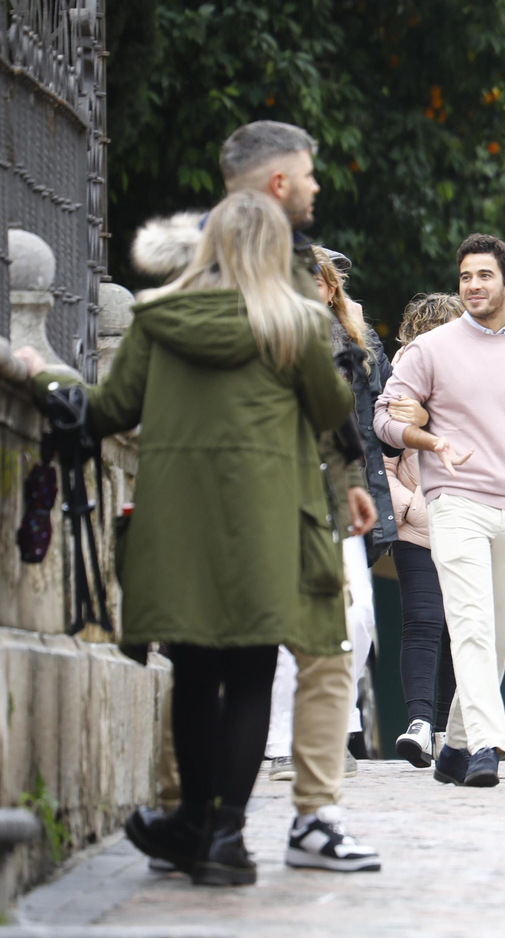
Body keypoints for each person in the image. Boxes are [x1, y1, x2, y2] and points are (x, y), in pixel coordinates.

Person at [17, 191, 355, 885]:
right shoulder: (294, 325)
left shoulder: (156, 318)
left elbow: (108, 410)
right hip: (266, 524)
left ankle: (195, 820)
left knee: (195, 673)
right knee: (252, 673)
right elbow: (330, 408)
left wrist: (43, 372)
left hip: (176, 526)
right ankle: (225, 838)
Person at [129, 121, 380, 873]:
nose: (315, 187)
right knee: (227, 662)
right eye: (307, 175)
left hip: (311, 491)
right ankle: (200, 821)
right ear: (278, 184)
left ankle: (308, 817)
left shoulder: (306, 264)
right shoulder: (215, 260)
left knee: (322, 650)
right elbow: (322, 395)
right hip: (272, 493)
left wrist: (355, 484)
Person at [373, 233, 505, 789]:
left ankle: (457, 745)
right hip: (454, 503)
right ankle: (487, 747)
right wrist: (426, 440)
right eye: (466, 275)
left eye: (484, 276)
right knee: (468, 622)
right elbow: (383, 420)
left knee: (492, 636)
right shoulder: (430, 350)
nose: (473, 285)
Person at [266, 248, 394, 787]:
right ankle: (279, 744)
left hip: (345, 493)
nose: (313, 290)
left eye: (320, 282)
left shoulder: (359, 346)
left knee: (358, 613)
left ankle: (336, 728)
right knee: (283, 620)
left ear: (331, 289)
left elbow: (378, 417)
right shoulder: (269, 339)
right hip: (280, 490)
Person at [380, 293, 464, 766]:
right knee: (423, 622)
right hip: (419, 530)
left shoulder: (476, 384)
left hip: (467, 526)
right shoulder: (396, 389)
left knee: (460, 631)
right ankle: (418, 723)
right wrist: (411, 508)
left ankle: (447, 731)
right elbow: (382, 463)